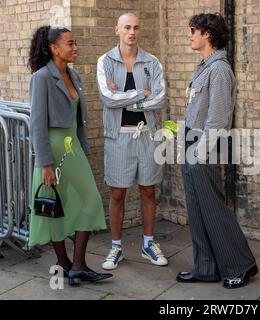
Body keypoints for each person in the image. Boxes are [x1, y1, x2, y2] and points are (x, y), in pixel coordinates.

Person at [177, 13, 258, 289]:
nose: (190, 36)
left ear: (207, 34)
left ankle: (241, 265)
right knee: (198, 211)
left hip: (205, 148)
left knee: (214, 209)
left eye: (193, 31)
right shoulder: (204, 67)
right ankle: (206, 267)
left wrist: (198, 153)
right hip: (191, 143)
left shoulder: (220, 70)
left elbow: (218, 120)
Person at [28, 26, 112, 286]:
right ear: (55, 48)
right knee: (56, 205)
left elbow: (78, 120)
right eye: (70, 43)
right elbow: (37, 123)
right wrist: (45, 163)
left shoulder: (73, 75)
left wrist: (82, 148)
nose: (76, 48)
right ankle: (65, 263)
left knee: (90, 200)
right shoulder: (41, 77)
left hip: (71, 145)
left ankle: (77, 264)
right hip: (53, 147)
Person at [97, 13, 168, 270]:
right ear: (117, 29)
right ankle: (116, 247)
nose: (132, 32)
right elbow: (107, 98)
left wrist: (125, 96)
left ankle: (148, 243)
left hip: (147, 135)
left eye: (136, 27)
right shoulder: (105, 61)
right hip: (118, 136)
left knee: (148, 190)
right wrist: (141, 93)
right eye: (127, 27)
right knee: (118, 192)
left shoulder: (152, 62)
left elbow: (159, 99)